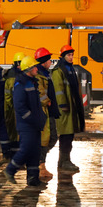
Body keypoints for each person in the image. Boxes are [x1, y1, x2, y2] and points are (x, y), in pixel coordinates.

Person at [3, 55, 47, 189]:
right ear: (28, 69)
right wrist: (32, 118)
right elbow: (20, 105)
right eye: (34, 67)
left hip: (35, 123)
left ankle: (33, 178)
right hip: (27, 124)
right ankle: (10, 170)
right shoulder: (20, 84)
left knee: (35, 151)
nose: (36, 69)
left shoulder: (32, 81)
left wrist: (40, 118)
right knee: (26, 149)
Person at [51, 45, 86, 174]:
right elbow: (58, 90)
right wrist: (62, 105)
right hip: (65, 108)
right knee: (66, 135)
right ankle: (64, 161)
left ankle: (64, 160)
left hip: (71, 107)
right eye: (68, 55)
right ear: (63, 56)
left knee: (69, 134)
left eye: (72, 55)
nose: (71, 57)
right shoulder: (59, 70)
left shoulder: (69, 69)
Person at [34, 47, 60, 181]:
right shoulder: (39, 75)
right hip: (44, 112)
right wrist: (48, 102)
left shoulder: (45, 73)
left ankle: (38, 161)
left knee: (52, 137)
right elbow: (40, 92)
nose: (51, 62)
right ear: (44, 61)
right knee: (45, 139)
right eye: (49, 60)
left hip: (49, 112)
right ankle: (40, 167)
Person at [3, 52, 24, 160]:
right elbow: (8, 97)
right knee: (14, 133)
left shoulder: (12, 76)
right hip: (14, 110)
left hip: (15, 109)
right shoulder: (13, 78)